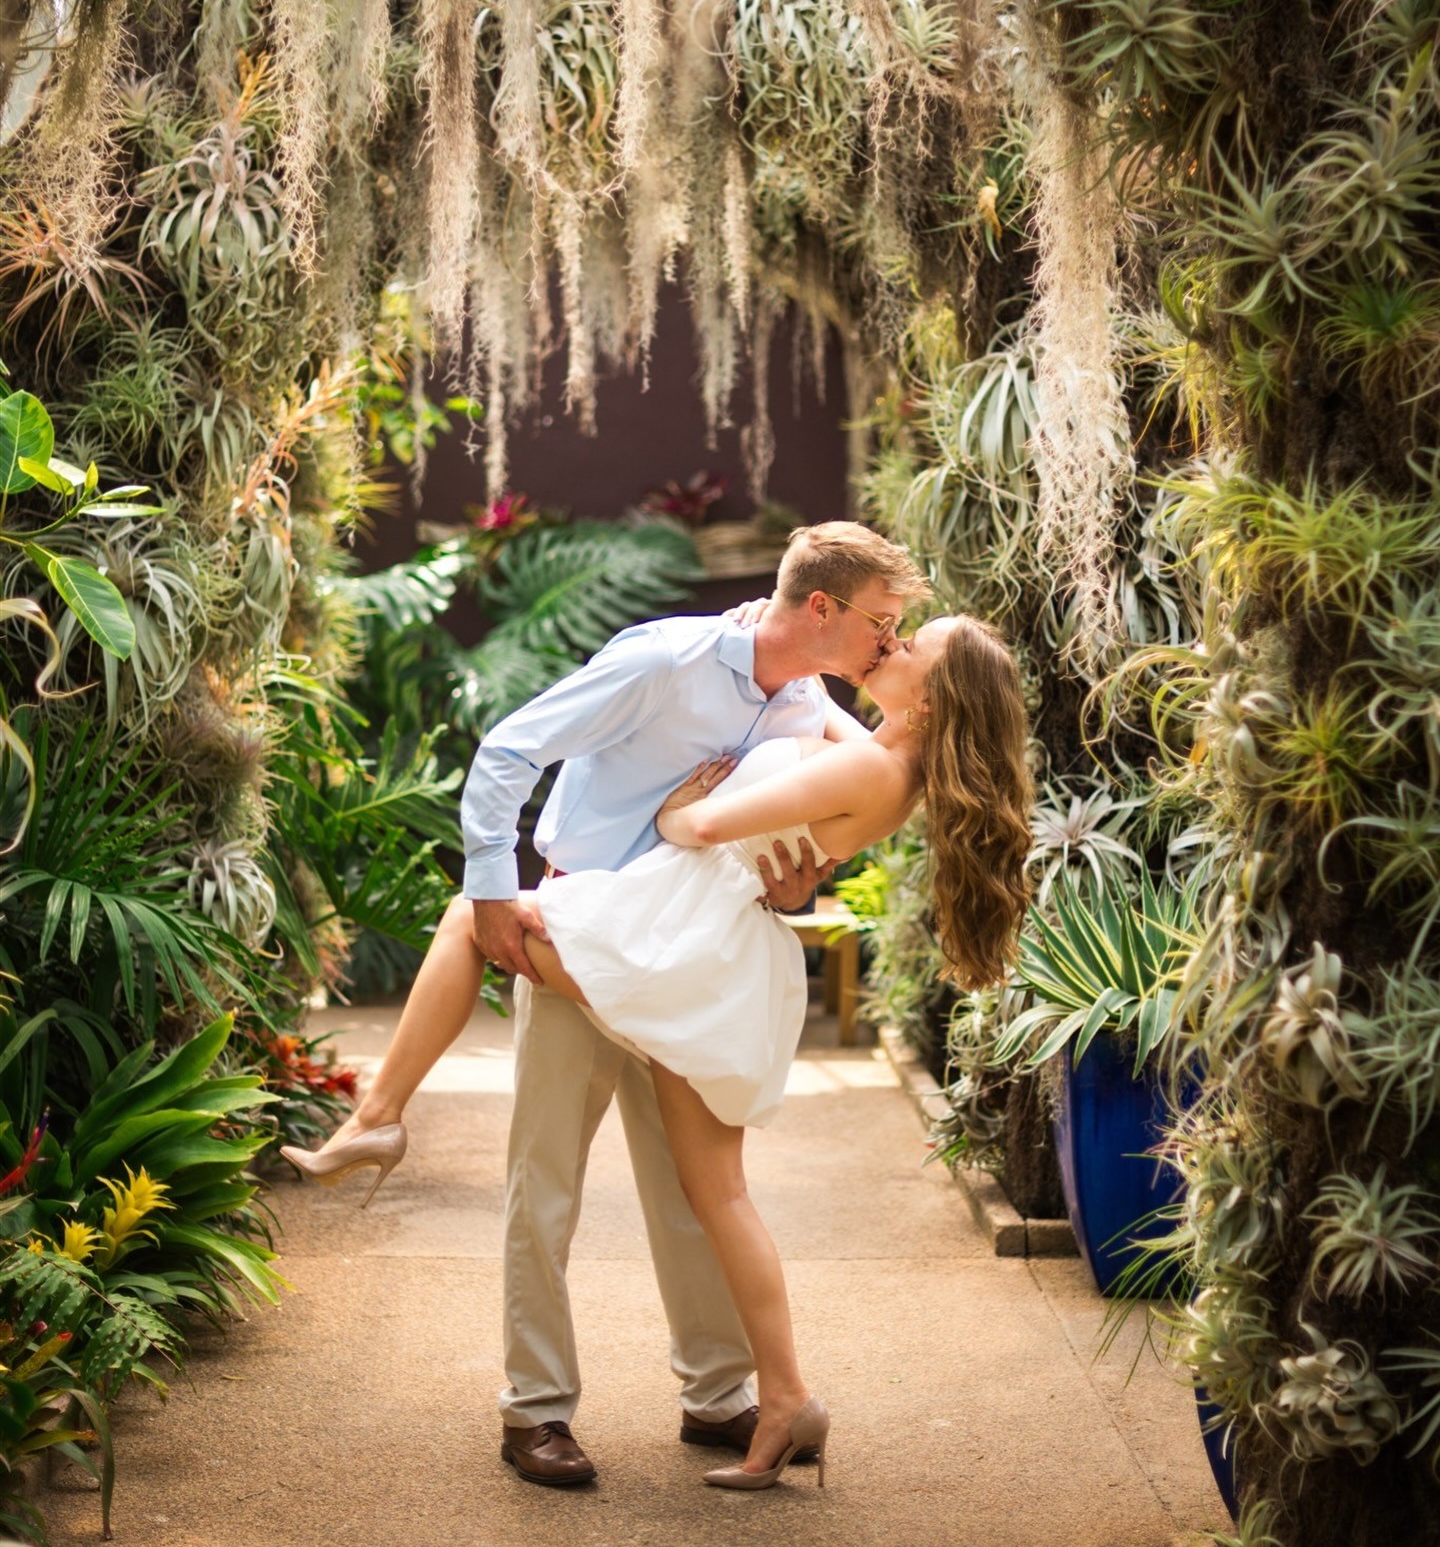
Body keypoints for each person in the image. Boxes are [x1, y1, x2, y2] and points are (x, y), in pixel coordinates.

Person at [283, 524, 1031, 1491]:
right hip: (592, 922)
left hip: (693, 954)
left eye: (901, 637)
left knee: (694, 1197)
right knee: (545, 1187)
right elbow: (512, 749)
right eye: (883, 625)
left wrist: (791, 878)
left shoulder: (816, 708)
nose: (890, 643)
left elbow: (795, 826)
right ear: (821, 611)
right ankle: (537, 1410)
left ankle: (719, 1397)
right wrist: (495, 885)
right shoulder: (668, 658)